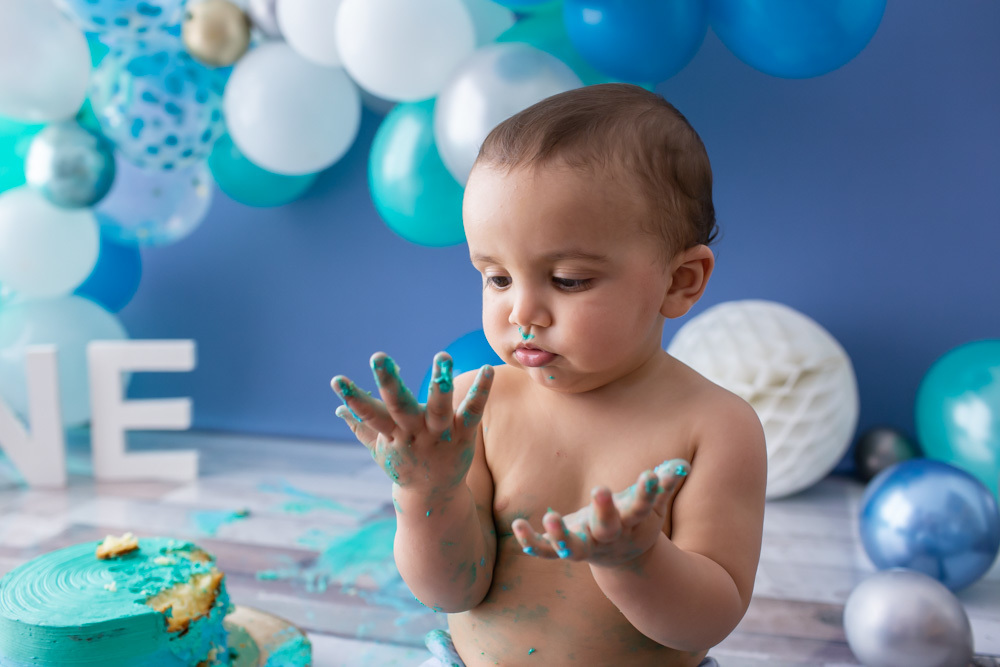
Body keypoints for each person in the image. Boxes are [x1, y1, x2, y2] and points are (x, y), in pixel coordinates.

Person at [331, 83, 767, 667]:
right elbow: (450, 591)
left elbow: (708, 620)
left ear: (679, 281)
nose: (521, 314)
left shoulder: (715, 427)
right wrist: (426, 495)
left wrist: (636, 561)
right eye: (497, 278)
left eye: (567, 280)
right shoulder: (475, 411)